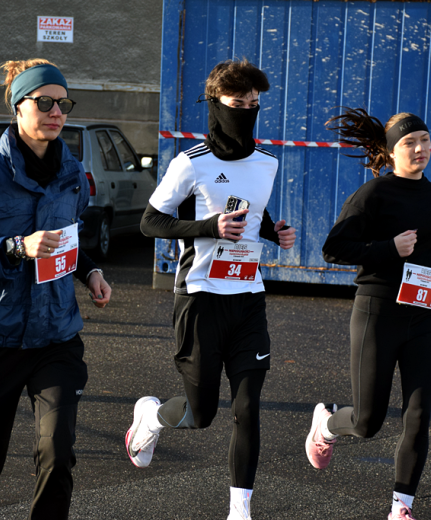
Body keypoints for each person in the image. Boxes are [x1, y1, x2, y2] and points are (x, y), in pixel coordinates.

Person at [0, 59, 112, 520]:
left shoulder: (72, 172)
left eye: (64, 104)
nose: (57, 112)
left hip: (56, 336)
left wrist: (89, 271)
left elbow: (68, 238)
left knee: (57, 456)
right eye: (45, 102)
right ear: (18, 106)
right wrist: (16, 247)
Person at [125, 59, 297, 520]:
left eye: (254, 104)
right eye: (238, 104)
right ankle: (152, 416)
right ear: (216, 105)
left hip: (248, 300)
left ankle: (239, 510)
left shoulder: (267, 162)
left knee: (247, 406)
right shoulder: (192, 163)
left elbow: (250, 212)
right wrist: (208, 226)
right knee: (201, 415)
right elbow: (150, 221)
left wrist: (272, 231)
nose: (247, 111)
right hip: (199, 300)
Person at [304, 107, 431, 520]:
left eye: (425, 140)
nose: (420, 148)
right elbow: (333, 249)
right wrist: (389, 248)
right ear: (390, 152)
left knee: (419, 413)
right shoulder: (373, 195)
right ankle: (328, 424)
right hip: (378, 312)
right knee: (368, 422)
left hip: (423, 315)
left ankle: (400, 508)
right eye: (410, 142)